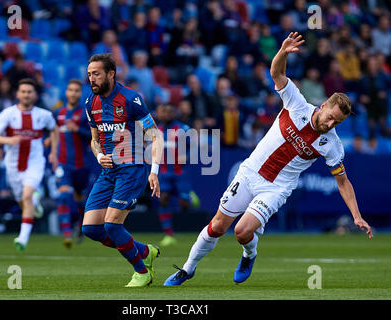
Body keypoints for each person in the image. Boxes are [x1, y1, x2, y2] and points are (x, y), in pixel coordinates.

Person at [164, 32, 373, 287]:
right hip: (250, 172)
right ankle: (187, 269)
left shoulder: (332, 145)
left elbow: (343, 182)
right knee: (217, 226)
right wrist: (282, 52)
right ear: (323, 106)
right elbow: (277, 75)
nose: (331, 124)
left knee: (242, 232)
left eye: (337, 123)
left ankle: (249, 254)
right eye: (330, 117)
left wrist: (356, 215)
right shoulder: (297, 103)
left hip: (276, 188)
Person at [82, 53, 163, 287]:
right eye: (89, 75)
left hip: (132, 168)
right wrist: (98, 156)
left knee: (111, 225)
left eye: (96, 74)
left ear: (111, 73)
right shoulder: (91, 103)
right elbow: (94, 139)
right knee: (91, 228)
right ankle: (144, 252)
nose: (92, 79)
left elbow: (155, 136)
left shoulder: (131, 99)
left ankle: (142, 272)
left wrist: (154, 171)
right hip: (108, 171)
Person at [0, 78, 58, 251]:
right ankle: (35, 204)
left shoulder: (43, 115)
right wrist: (9, 139)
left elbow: (54, 129)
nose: (26, 95)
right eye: (23, 91)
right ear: (17, 94)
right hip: (13, 165)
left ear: (34, 95)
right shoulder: (8, 114)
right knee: (23, 201)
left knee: (26, 196)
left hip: (34, 163)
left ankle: (23, 238)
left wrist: (53, 152)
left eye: (30, 92)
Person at [54, 79, 92, 248]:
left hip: (81, 165)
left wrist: (78, 130)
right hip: (64, 164)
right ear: (66, 92)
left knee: (80, 200)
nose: (73, 93)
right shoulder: (58, 112)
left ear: (80, 93)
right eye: (71, 90)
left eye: (77, 90)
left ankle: (79, 224)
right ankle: (66, 233)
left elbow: (93, 136)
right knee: (63, 195)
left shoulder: (85, 114)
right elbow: (54, 132)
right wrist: (51, 147)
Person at [155, 103, 192, 247]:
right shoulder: (156, 130)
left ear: (175, 113)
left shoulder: (183, 129)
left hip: (180, 172)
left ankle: (190, 197)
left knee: (184, 205)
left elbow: (194, 147)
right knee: (163, 200)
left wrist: (187, 156)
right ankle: (168, 234)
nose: (167, 114)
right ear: (160, 114)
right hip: (164, 172)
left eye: (170, 111)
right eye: (164, 111)